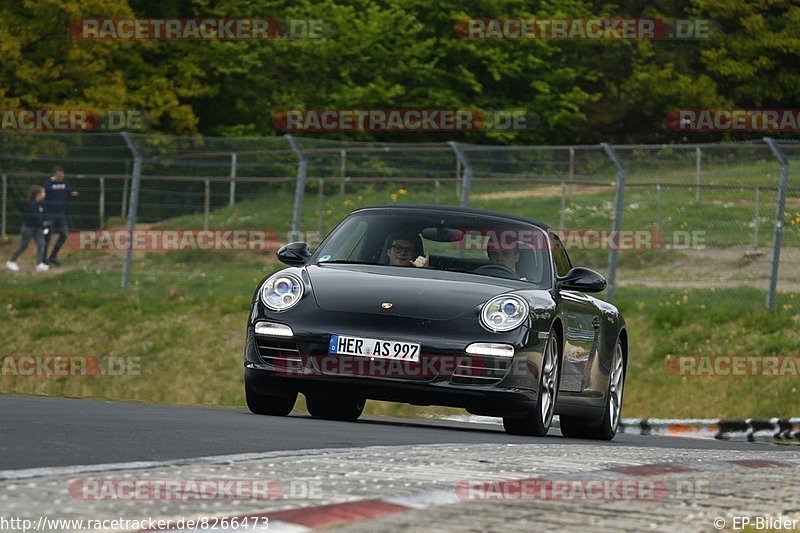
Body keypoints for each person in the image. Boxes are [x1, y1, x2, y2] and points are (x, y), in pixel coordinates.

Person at [6, 185, 50, 272]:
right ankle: (11, 261)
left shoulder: (41, 204)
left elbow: (43, 215)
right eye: (43, 192)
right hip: (29, 228)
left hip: (38, 228)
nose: (44, 194)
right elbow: (33, 217)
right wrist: (42, 223)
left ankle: (39, 264)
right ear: (38, 194)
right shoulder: (31, 204)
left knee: (41, 245)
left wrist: (46, 221)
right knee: (24, 245)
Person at [43, 165, 78, 266]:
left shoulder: (65, 183)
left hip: (61, 214)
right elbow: (43, 197)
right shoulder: (48, 183)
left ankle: (53, 256)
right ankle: (43, 259)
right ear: (55, 174)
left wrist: (73, 194)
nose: (61, 177)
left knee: (64, 234)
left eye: (62, 175)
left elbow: (69, 191)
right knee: (47, 237)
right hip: (50, 214)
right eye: (59, 175)